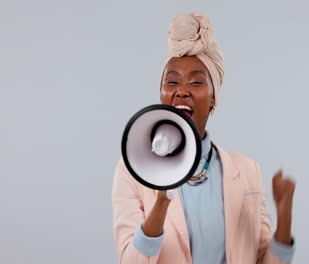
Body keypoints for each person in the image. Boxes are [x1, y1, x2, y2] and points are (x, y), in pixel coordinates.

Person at [112, 13, 296, 264]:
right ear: (162, 94)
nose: (182, 90)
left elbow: (263, 260)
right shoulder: (133, 171)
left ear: (213, 99)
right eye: (172, 81)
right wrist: (161, 204)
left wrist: (284, 218)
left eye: (196, 82)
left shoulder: (247, 171)